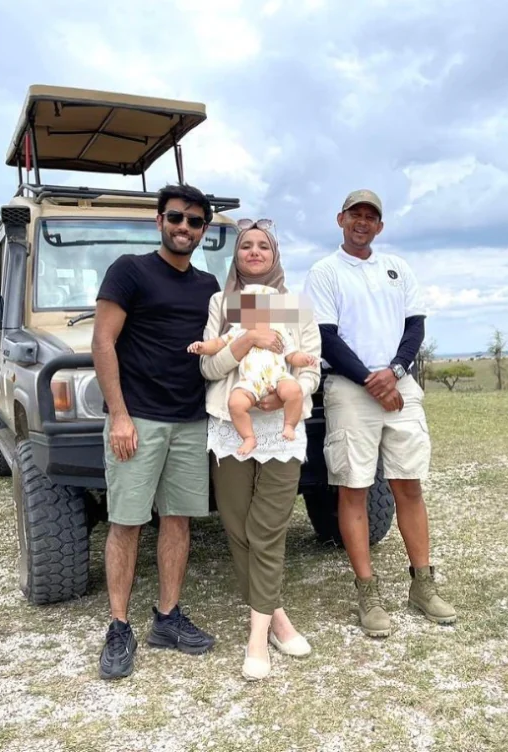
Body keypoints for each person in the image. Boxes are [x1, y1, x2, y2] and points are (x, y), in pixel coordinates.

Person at [302, 189, 456, 639]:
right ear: (340, 218)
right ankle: (367, 593)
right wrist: (372, 380)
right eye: (355, 214)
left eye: (371, 216)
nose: (363, 222)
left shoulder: (398, 268)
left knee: (409, 484)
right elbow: (325, 336)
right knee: (354, 487)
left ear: (380, 226)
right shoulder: (325, 272)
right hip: (351, 388)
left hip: (398, 383)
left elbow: (415, 325)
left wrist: (395, 371)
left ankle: (422, 585)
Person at [91, 183, 220, 680]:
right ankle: (119, 625)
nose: (183, 227)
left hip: (190, 419)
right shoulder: (130, 271)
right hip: (138, 418)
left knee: (179, 520)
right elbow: (103, 343)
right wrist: (119, 415)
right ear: (159, 221)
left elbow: (231, 335)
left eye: (193, 221)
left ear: (204, 230)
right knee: (125, 522)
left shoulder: (208, 286)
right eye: (175, 217)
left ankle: (167, 617)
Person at [197, 219, 321, 680]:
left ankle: (256, 639)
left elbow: (311, 366)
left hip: (282, 431)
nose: (253, 252)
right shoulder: (222, 304)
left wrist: (288, 394)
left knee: (267, 528)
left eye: (262, 246)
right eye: (246, 245)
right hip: (233, 427)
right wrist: (246, 338)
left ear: (275, 255)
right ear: (236, 255)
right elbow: (210, 369)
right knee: (237, 526)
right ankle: (276, 616)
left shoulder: (293, 305)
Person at [187, 283, 319, 454]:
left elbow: (292, 355)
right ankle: (249, 437)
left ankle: (289, 425)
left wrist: (306, 359)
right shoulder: (239, 331)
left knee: (294, 390)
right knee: (235, 403)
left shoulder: (280, 332)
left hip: (278, 378)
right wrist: (202, 347)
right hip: (249, 381)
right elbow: (218, 344)